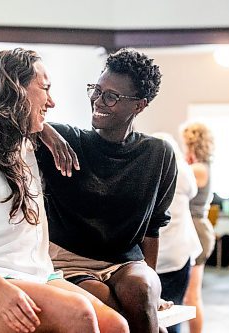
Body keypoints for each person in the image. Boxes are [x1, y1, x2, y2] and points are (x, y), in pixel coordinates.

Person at [0, 48, 128, 333]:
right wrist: (3, 291)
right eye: (45, 89)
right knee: (77, 314)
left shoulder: (22, 148)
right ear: (15, 91)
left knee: (116, 326)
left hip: (31, 275)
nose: (52, 102)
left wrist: (44, 130)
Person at [36, 48, 177, 333]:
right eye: (96, 90)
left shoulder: (158, 154)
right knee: (108, 306)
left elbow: (153, 228)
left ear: (139, 105)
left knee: (142, 289)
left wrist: (152, 294)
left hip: (125, 261)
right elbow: (1, 120)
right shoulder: (65, 141)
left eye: (111, 96)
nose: (98, 101)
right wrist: (42, 129)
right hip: (69, 262)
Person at [152, 132, 203, 333]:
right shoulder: (182, 169)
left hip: (152, 254)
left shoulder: (145, 169)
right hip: (178, 254)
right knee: (174, 311)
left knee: (153, 313)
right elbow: (193, 193)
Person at [181, 122, 215, 333]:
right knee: (189, 295)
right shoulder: (199, 166)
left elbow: (176, 173)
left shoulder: (199, 168)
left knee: (192, 295)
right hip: (193, 229)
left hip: (197, 231)